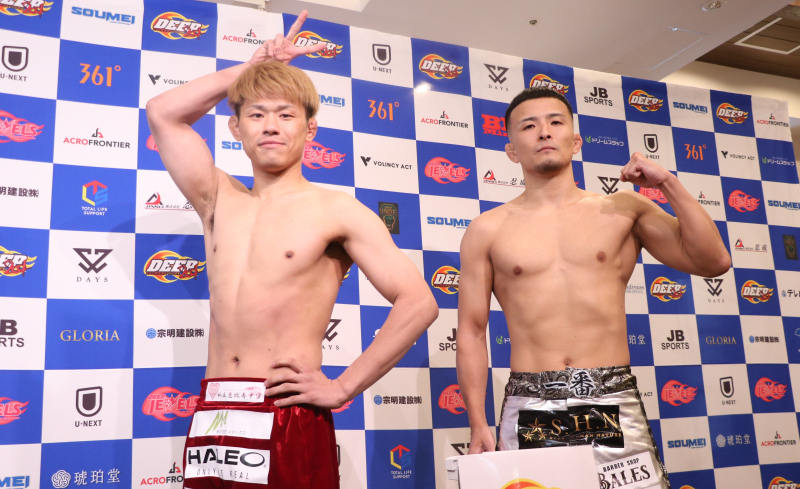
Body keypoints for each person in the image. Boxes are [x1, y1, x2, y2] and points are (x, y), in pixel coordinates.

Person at [146, 12, 438, 489]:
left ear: (310, 129)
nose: (271, 126)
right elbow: (163, 111)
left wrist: (343, 386)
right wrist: (250, 69)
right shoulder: (217, 198)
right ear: (236, 128)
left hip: (285, 411)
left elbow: (419, 302)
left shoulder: (336, 210)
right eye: (256, 114)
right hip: (215, 407)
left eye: (286, 115)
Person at [455, 88, 730, 488]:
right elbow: (471, 330)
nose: (544, 132)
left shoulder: (623, 209)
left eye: (555, 122)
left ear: (575, 140)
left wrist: (667, 183)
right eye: (529, 126)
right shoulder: (487, 229)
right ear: (512, 150)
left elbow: (714, 261)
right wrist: (477, 421)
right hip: (531, 404)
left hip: (611, 399)